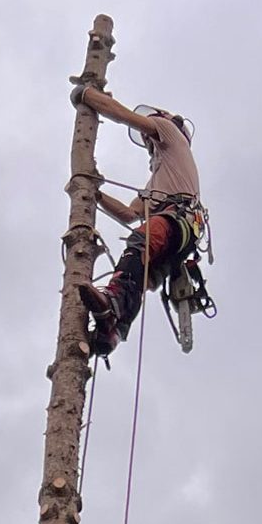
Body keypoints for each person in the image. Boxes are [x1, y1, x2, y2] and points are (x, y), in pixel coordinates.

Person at [69, 84, 204, 356]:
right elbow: (129, 214)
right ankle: (114, 329)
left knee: (142, 240)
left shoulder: (170, 132)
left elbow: (120, 114)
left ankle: (113, 305)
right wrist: (93, 192)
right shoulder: (157, 183)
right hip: (176, 235)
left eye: (146, 135)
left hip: (179, 222)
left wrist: (86, 95)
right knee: (137, 276)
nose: (145, 138)